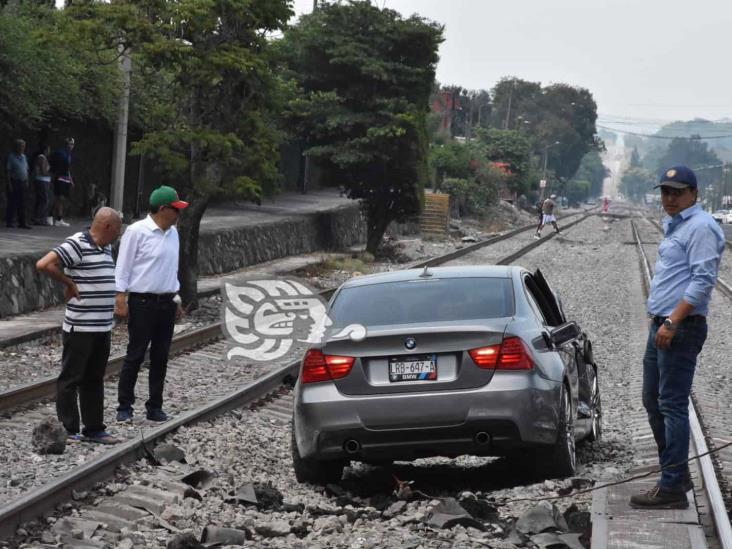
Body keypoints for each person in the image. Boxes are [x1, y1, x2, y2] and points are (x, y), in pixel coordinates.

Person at [630, 166, 724, 509]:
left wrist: (671, 322)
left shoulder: (700, 227)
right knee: (652, 399)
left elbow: (702, 282)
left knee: (671, 404)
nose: (669, 198)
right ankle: (676, 474)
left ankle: (672, 486)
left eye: (677, 192)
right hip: (664, 325)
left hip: (679, 328)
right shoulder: (680, 225)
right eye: (665, 192)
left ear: (694, 194)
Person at [35, 207, 123, 444]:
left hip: (102, 326)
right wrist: (68, 282)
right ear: (107, 227)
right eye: (117, 229)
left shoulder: (106, 247)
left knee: (94, 378)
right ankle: (69, 428)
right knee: (71, 378)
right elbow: (44, 264)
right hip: (81, 326)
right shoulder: (77, 243)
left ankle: (94, 428)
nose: (119, 233)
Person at [115, 185, 187, 423]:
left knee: (161, 356)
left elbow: (171, 271)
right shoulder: (137, 231)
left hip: (166, 302)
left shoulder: (174, 233)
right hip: (142, 302)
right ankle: (124, 406)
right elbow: (123, 267)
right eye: (175, 210)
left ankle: (155, 406)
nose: (178, 214)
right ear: (163, 209)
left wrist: (176, 299)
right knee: (134, 355)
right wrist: (120, 298)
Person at [5, 138, 31, 229]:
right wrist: (9, 184)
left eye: (23, 146)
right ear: (16, 147)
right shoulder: (11, 157)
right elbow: (8, 171)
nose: (22, 148)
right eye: (20, 146)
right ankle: (10, 221)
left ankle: (22, 222)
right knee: (12, 202)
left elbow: (26, 170)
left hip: (23, 181)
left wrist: (27, 181)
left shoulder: (24, 157)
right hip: (14, 181)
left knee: (22, 203)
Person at [49, 137, 75, 227]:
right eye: (70, 144)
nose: (71, 146)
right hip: (59, 177)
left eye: (72, 144)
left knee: (61, 198)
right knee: (59, 197)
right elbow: (51, 161)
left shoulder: (68, 155)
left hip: (65, 178)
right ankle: (51, 216)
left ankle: (58, 218)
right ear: (66, 144)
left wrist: (70, 180)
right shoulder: (60, 153)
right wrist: (53, 173)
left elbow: (67, 169)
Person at [31, 144, 52, 225]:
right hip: (42, 181)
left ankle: (37, 218)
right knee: (44, 200)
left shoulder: (42, 157)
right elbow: (43, 171)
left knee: (40, 200)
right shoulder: (42, 157)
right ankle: (39, 219)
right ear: (45, 150)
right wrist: (51, 173)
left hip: (42, 181)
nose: (50, 151)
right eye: (49, 149)